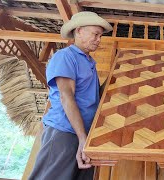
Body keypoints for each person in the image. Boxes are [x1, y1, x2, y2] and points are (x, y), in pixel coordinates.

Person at [29, 11, 112, 180]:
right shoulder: (65, 56)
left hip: (84, 135)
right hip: (64, 132)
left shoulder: (88, 62)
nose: (98, 40)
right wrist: (82, 138)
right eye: (95, 34)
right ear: (79, 31)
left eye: (100, 36)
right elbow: (66, 97)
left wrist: (114, 76)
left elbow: (96, 97)